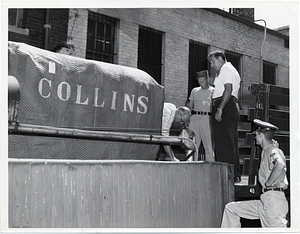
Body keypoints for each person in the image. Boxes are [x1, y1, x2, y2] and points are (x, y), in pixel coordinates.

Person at [221, 119, 289, 228]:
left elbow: (280, 165)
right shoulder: (268, 150)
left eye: (256, 135)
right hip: (266, 200)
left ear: (261, 135)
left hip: (273, 201)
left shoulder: (272, 150)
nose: (255, 138)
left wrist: (268, 183)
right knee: (232, 209)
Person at [208, 50, 241, 182]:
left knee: (223, 142)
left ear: (221, 58)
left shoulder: (226, 68)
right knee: (230, 141)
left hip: (225, 105)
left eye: (213, 61)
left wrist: (220, 108)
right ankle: (234, 174)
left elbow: (228, 89)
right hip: (230, 104)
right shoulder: (231, 70)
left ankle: (226, 175)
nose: (212, 64)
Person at [187, 70, 215, 161]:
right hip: (194, 119)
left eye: (203, 81)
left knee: (209, 146)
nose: (201, 83)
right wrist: (187, 119)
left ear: (207, 79)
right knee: (191, 145)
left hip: (207, 119)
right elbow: (190, 106)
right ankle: (190, 166)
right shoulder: (194, 91)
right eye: (199, 81)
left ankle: (210, 169)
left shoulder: (213, 91)